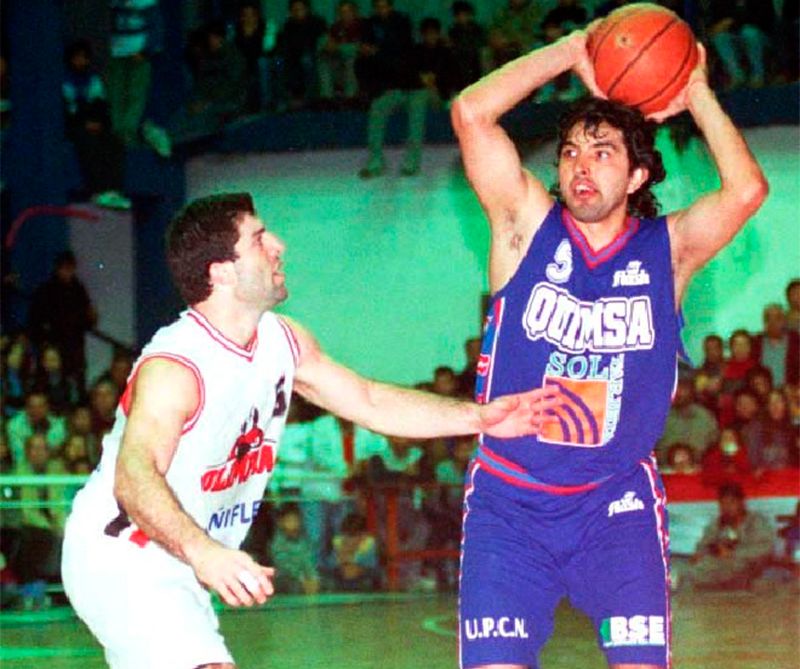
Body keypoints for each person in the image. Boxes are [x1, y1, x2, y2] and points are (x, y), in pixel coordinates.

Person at [61, 192, 559, 668]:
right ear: (221, 271)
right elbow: (134, 475)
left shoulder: (284, 340)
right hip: (124, 554)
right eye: (259, 239)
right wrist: (205, 551)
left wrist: (479, 417)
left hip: (182, 558)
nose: (279, 245)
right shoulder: (177, 366)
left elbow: (368, 400)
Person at [450, 20, 767, 669]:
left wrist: (696, 90)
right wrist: (571, 51)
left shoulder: (667, 253)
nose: (580, 164)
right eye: (569, 151)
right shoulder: (524, 227)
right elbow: (470, 112)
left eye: (601, 151)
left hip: (612, 505)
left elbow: (746, 191)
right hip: (509, 502)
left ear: (638, 174)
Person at [677, 482, 774, 590]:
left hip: (748, 566)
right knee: (689, 571)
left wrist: (733, 553)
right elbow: (703, 544)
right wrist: (700, 553)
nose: (727, 508)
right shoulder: (717, 524)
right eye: (723, 504)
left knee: (699, 575)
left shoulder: (756, 522)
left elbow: (766, 549)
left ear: (741, 503)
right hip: (719, 565)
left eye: (731, 503)